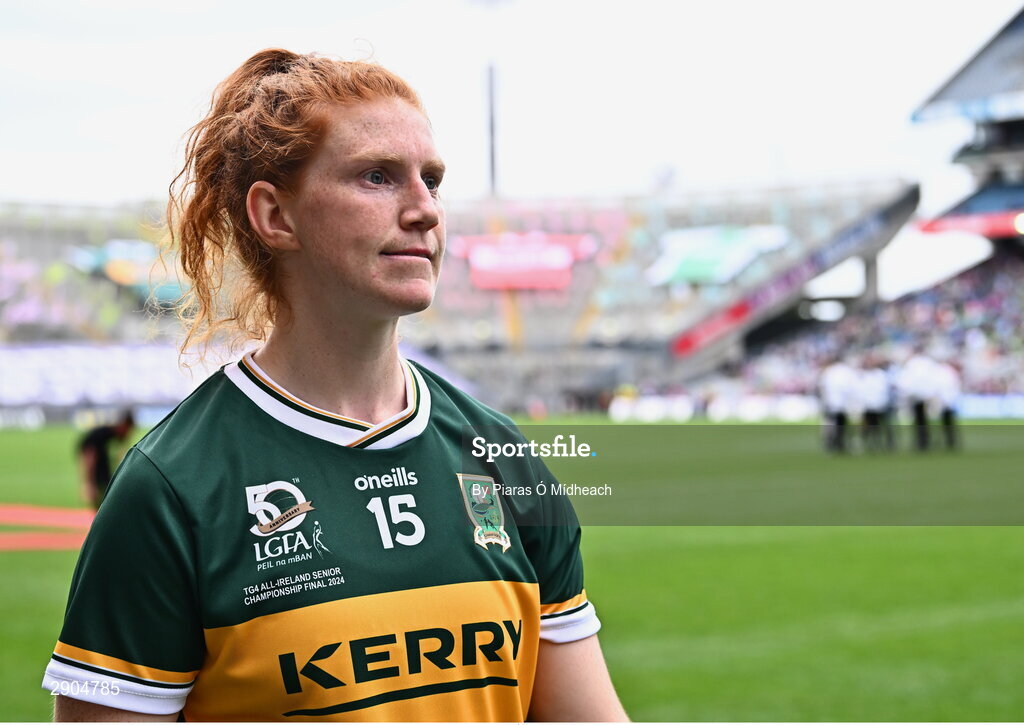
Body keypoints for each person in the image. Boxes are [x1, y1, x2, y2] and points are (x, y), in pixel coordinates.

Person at [43, 49, 628, 721]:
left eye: (432, 180)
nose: (425, 211)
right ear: (275, 216)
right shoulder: (173, 488)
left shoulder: (501, 455)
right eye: (378, 177)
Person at [75, 409, 134, 509]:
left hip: (100, 464)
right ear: (123, 425)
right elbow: (89, 457)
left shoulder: (112, 436)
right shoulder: (101, 435)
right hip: (94, 463)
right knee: (101, 496)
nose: (129, 433)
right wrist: (89, 483)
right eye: (128, 429)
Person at [818, 354, 856, 453]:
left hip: (831, 402)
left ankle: (831, 442)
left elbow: (823, 387)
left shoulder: (829, 371)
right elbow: (851, 387)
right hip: (843, 404)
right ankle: (840, 443)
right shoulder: (847, 371)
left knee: (830, 424)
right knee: (841, 425)